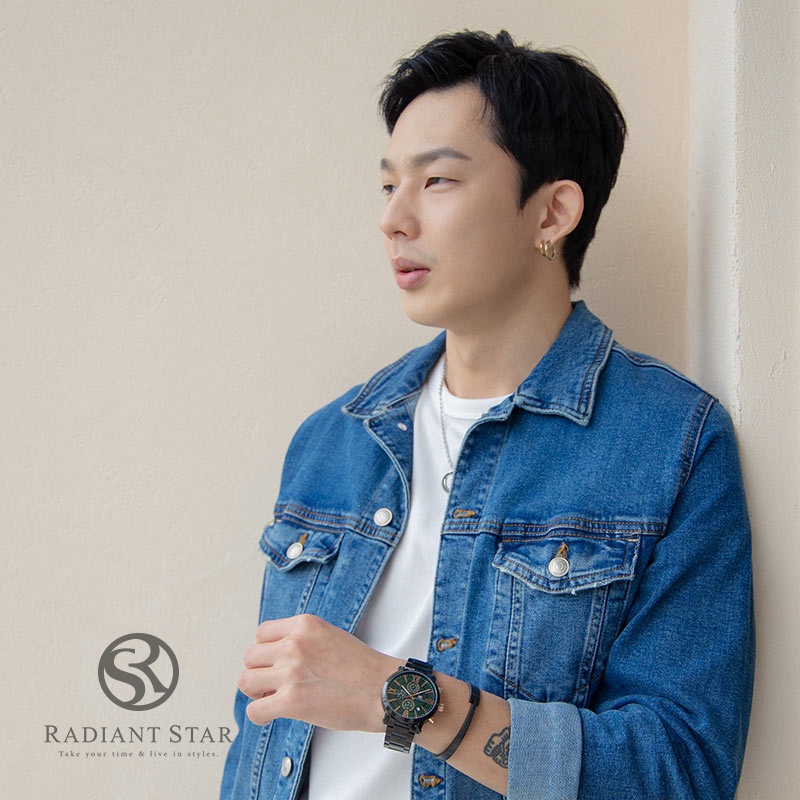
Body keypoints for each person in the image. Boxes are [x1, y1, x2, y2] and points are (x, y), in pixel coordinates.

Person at [220, 30, 754, 800]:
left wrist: (397, 698)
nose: (394, 219)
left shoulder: (669, 444)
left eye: (437, 181)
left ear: (552, 212)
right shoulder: (333, 441)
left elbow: (679, 772)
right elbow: (263, 730)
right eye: (388, 186)